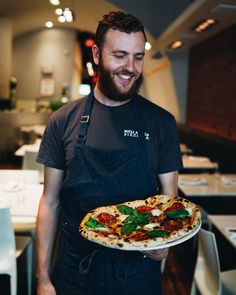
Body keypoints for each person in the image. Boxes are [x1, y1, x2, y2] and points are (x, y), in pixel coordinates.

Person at [36, 10, 183, 295]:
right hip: (75, 269)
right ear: (96, 54)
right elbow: (50, 202)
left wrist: (163, 241)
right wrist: (42, 279)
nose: (130, 67)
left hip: (136, 274)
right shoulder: (63, 120)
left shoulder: (161, 123)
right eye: (119, 55)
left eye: (138, 56)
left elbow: (169, 199)